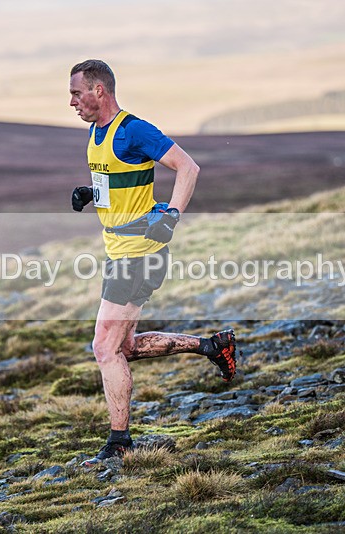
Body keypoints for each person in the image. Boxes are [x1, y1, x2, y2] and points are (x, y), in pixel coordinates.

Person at [68, 59, 237, 466]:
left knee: (104, 348)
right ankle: (213, 346)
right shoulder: (97, 132)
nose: (71, 102)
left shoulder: (133, 130)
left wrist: (172, 216)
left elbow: (188, 167)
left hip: (139, 255)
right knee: (124, 347)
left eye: (76, 93)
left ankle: (119, 442)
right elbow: (121, 177)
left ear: (99, 92)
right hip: (120, 252)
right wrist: (92, 192)